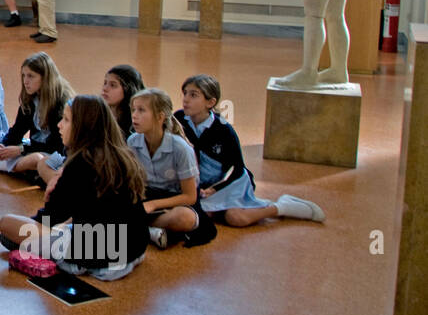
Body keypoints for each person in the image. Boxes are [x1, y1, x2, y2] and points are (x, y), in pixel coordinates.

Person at [0, 95, 149, 281]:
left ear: (83, 127)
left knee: (6, 226)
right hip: (136, 243)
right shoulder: (120, 154)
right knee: (41, 232)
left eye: (66, 120)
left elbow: (50, 217)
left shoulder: (81, 162)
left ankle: (63, 256)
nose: (60, 125)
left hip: (104, 249)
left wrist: (50, 199)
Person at [176, 74, 324, 227]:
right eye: (185, 93)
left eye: (193, 95)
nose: (186, 99)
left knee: (236, 218)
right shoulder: (179, 119)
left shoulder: (224, 130)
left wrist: (214, 189)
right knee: (205, 213)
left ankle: (282, 207)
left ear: (210, 102)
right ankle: (220, 209)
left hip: (229, 182)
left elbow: (238, 169)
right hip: (199, 185)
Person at [128, 88, 215, 249]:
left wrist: (154, 205)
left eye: (141, 110)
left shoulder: (180, 148)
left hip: (175, 199)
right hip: (146, 195)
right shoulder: (133, 142)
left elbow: (190, 196)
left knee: (184, 218)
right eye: (133, 109)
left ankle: (143, 228)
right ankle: (151, 230)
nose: (134, 115)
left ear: (160, 117)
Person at [38, 63, 145, 188]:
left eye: (113, 85)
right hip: (79, 161)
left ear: (128, 89)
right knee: (43, 162)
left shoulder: (132, 123)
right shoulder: (97, 112)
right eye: (105, 83)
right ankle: (61, 183)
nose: (105, 88)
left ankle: (63, 186)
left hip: (102, 169)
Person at [0, 51, 72, 176]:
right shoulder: (31, 98)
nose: (25, 81)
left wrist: (21, 150)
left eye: (31, 76)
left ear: (45, 78)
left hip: (54, 154)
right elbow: (17, 129)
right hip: (32, 146)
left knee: (36, 159)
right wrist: (4, 146)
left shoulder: (60, 102)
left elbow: (57, 146)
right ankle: (20, 167)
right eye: (24, 75)